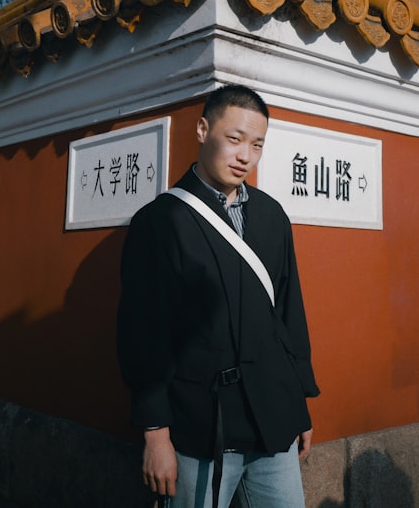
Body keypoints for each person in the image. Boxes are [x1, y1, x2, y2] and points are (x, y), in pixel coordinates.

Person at [117, 84, 320, 508]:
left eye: (257, 145)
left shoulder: (271, 216)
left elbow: (288, 312)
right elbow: (143, 334)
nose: (246, 155)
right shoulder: (160, 222)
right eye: (235, 139)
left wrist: (298, 403)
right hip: (201, 425)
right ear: (203, 129)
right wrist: (156, 435)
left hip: (272, 419)